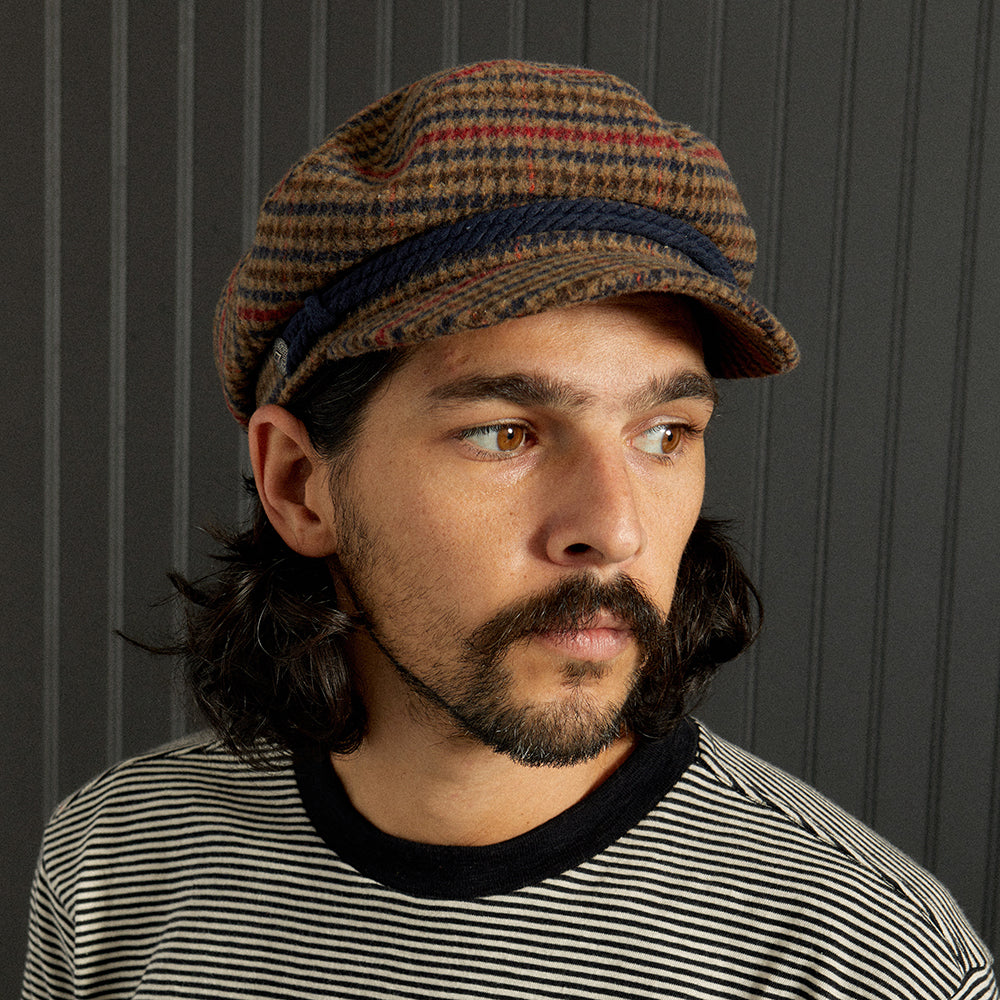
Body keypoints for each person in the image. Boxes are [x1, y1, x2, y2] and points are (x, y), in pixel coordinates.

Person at [22, 59, 995, 999]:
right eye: (505, 433)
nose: (614, 529)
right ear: (299, 484)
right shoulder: (118, 859)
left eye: (664, 434)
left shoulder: (866, 958)